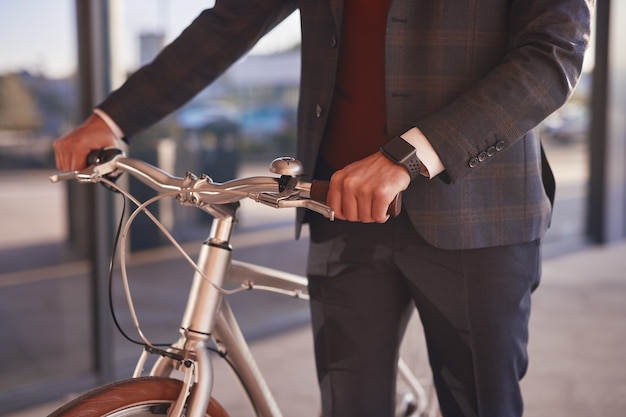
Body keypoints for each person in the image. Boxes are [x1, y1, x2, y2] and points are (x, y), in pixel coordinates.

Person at [53, 1, 593, 416]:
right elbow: (225, 27)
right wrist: (112, 118)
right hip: (338, 208)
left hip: (478, 215)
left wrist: (409, 156)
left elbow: (552, 55)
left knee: (479, 404)